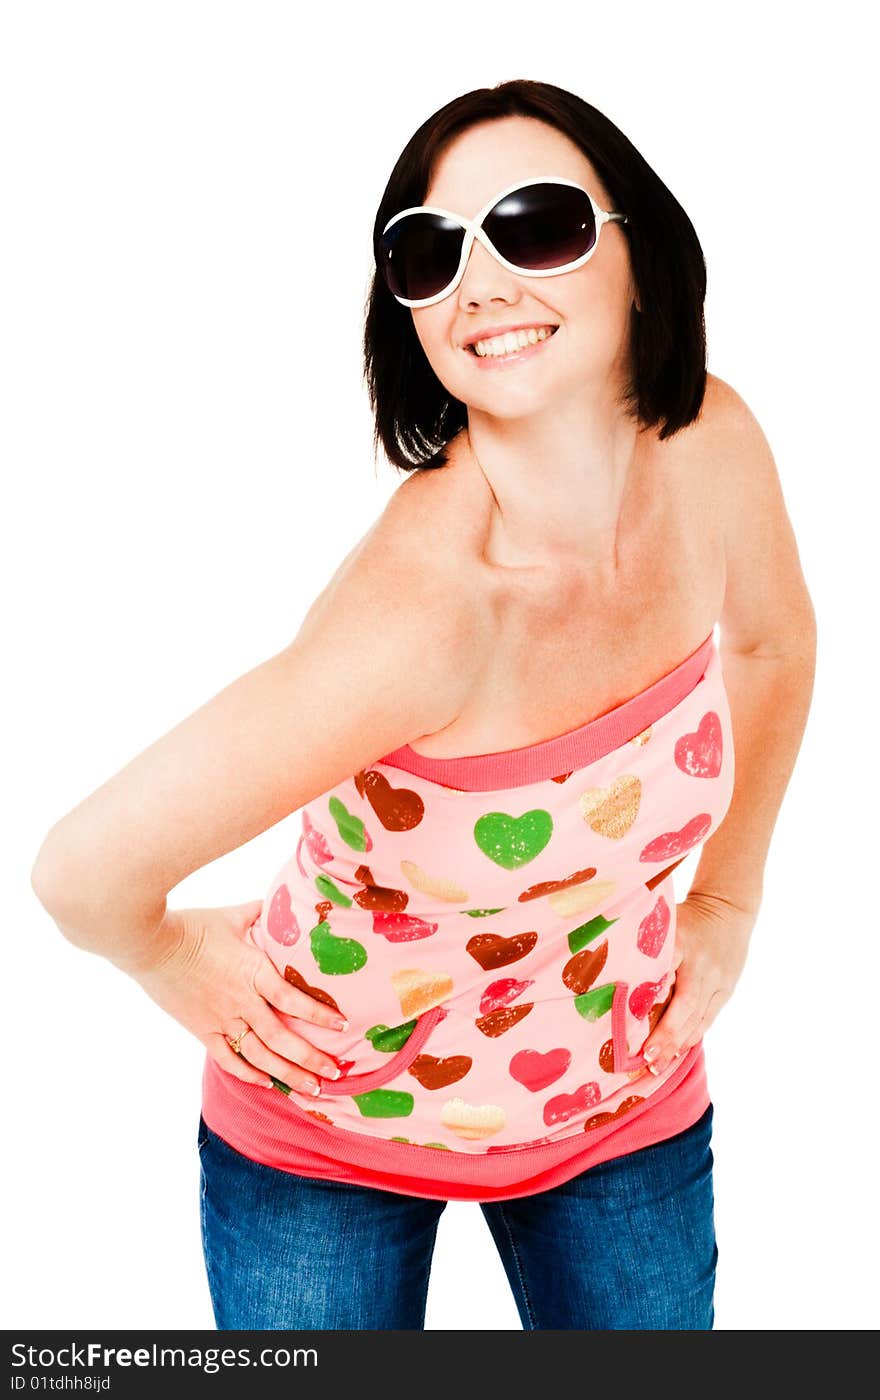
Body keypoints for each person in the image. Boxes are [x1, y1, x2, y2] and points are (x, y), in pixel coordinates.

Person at [30, 78, 816, 1331]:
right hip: (326, 1127)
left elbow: (773, 643)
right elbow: (82, 869)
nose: (480, 281)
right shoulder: (428, 614)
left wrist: (727, 894)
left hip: (619, 1095)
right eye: (429, 252)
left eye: (537, 225)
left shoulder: (711, 444)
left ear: (640, 253)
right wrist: (171, 958)